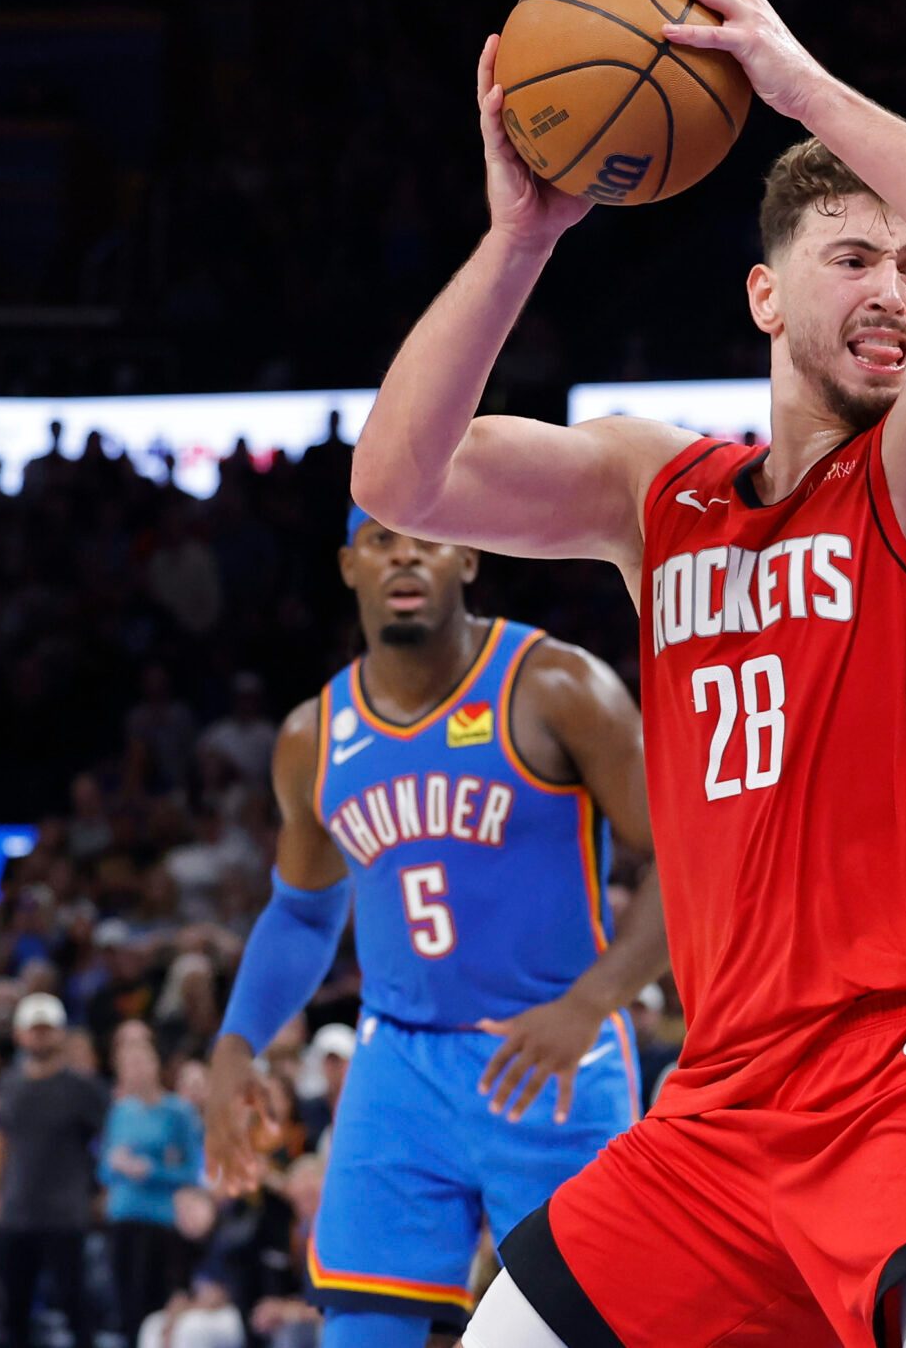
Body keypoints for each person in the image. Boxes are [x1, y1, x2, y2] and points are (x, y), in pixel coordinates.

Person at [372, 0, 906, 1348]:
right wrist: (522, 237)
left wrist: (803, 85)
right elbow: (401, 480)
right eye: (852, 258)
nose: (895, 291)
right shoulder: (661, 494)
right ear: (768, 297)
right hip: (721, 1111)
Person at [202, 507, 664, 1344]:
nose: (405, 552)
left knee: (590, 1324)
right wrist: (235, 1045)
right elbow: (304, 914)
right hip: (399, 1063)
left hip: (550, 1051)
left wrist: (593, 1001)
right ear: (351, 566)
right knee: (360, 1328)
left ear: (470, 558)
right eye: (382, 538)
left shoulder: (556, 686)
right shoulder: (313, 736)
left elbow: (684, 861)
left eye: (428, 533)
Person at [0, 992, 107, 1348]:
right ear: (20, 1035)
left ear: (60, 1034)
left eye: (47, 1029)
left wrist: (99, 1189)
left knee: (76, 1308)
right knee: (14, 1312)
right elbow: (1, 1140)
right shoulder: (9, 1083)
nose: (40, 1037)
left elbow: (108, 1139)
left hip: (65, 1213)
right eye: (34, 1030)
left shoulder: (83, 1087)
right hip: (16, 1211)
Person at [102, 1038, 201, 1343]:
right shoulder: (120, 1111)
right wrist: (117, 1166)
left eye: (141, 1061)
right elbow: (104, 1169)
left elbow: (190, 1171)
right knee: (124, 1306)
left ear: (155, 1064)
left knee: (152, 1306)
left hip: (159, 1220)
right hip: (121, 1216)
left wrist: (150, 1170)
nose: (135, 1070)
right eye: (127, 1065)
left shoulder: (178, 1112)